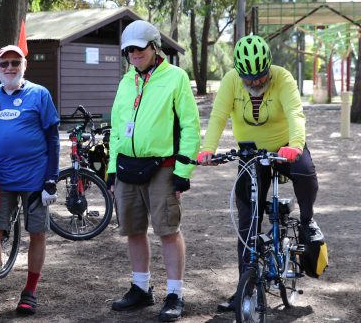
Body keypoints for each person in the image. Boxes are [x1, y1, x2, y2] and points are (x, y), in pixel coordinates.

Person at [196, 34, 324, 312]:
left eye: (260, 75)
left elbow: (295, 113)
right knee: (246, 222)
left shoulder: (283, 78)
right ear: (239, 72)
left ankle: (306, 220)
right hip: (251, 153)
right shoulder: (231, 81)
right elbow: (218, 116)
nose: (255, 82)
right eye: (248, 77)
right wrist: (208, 149)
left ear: (269, 68)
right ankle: (245, 287)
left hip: (285, 147)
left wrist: (295, 145)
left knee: (305, 174)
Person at [106, 20, 200, 322]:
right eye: (129, 50)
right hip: (127, 167)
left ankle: (175, 293)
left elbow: (189, 126)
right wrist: (111, 169)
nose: (134, 54)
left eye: (139, 48)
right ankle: (141, 287)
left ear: (154, 47)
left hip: (163, 166)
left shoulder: (176, 78)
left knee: (168, 230)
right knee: (133, 230)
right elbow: (117, 128)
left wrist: (183, 171)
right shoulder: (126, 81)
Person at [0, 45, 60, 316]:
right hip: (0, 179)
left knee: (37, 233)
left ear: (24, 65)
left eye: (15, 63)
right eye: (4, 63)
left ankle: (30, 291)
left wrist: (51, 178)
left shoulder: (39, 94)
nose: (9, 68)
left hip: (35, 179)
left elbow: (53, 139)